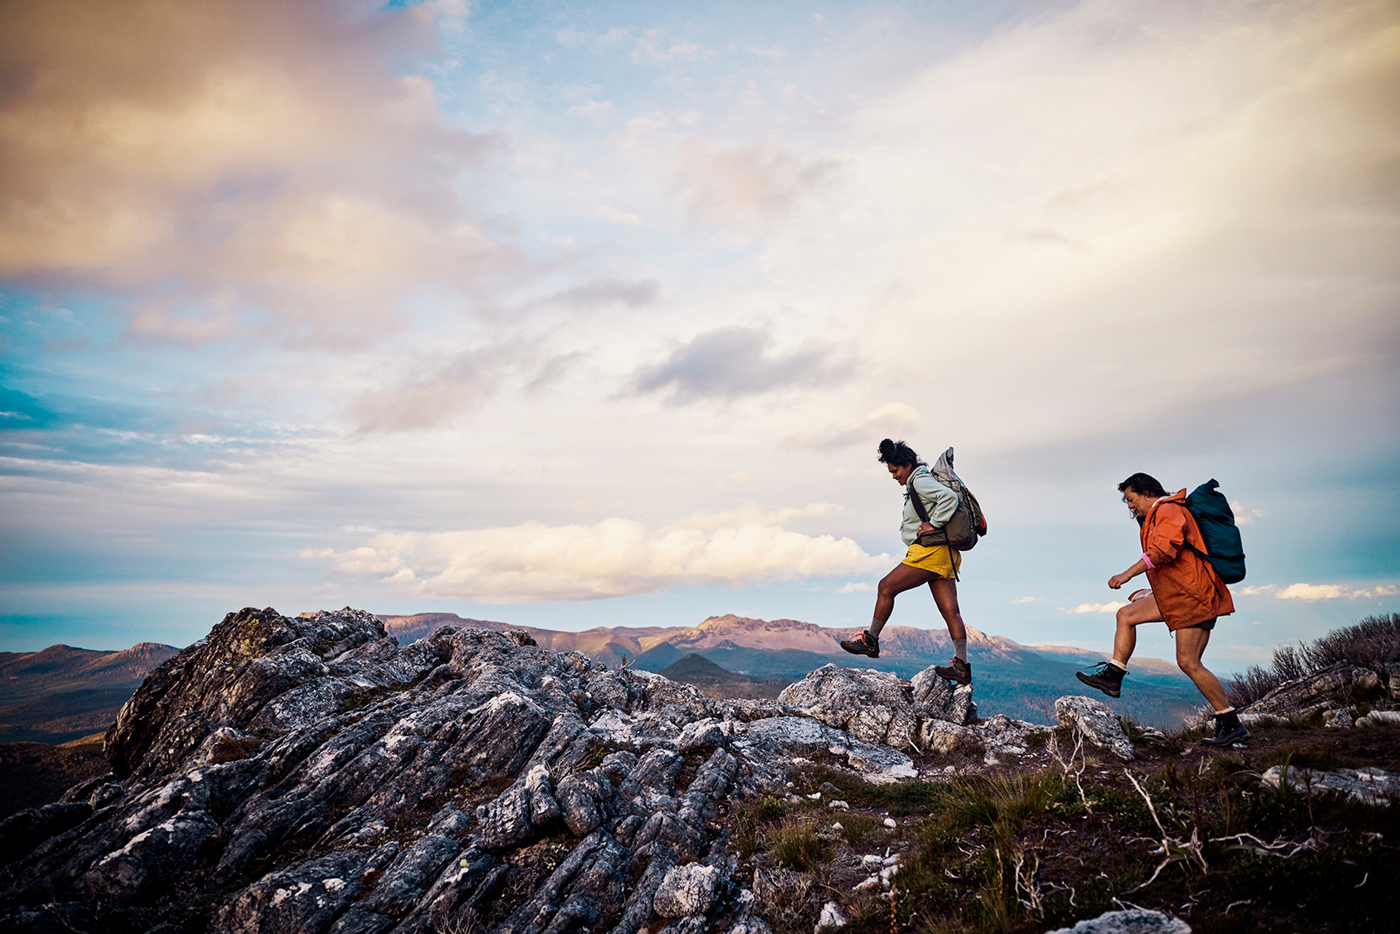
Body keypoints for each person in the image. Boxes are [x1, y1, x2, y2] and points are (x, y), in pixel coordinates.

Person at [1076, 472, 1249, 746]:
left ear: (1146, 493)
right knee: (1126, 615)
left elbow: (1162, 552)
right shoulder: (1155, 517)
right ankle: (1113, 676)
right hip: (1177, 594)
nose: (1130, 506)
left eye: (1131, 499)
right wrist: (1152, 592)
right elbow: (1176, 566)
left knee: (1189, 662)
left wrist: (1127, 575)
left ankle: (1230, 723)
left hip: (1195, 597)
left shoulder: (1168, 510)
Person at [839, 439, 972, 684]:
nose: (893, 476)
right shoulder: (917, 481)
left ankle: (871, 641)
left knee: (885, 587)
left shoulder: (919, 480)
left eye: (895, 470)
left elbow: (949, 499)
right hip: (945, 553)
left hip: (929, 551)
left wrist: (934, 524)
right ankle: (961, 667)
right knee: (951, 612)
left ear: (907, 465)